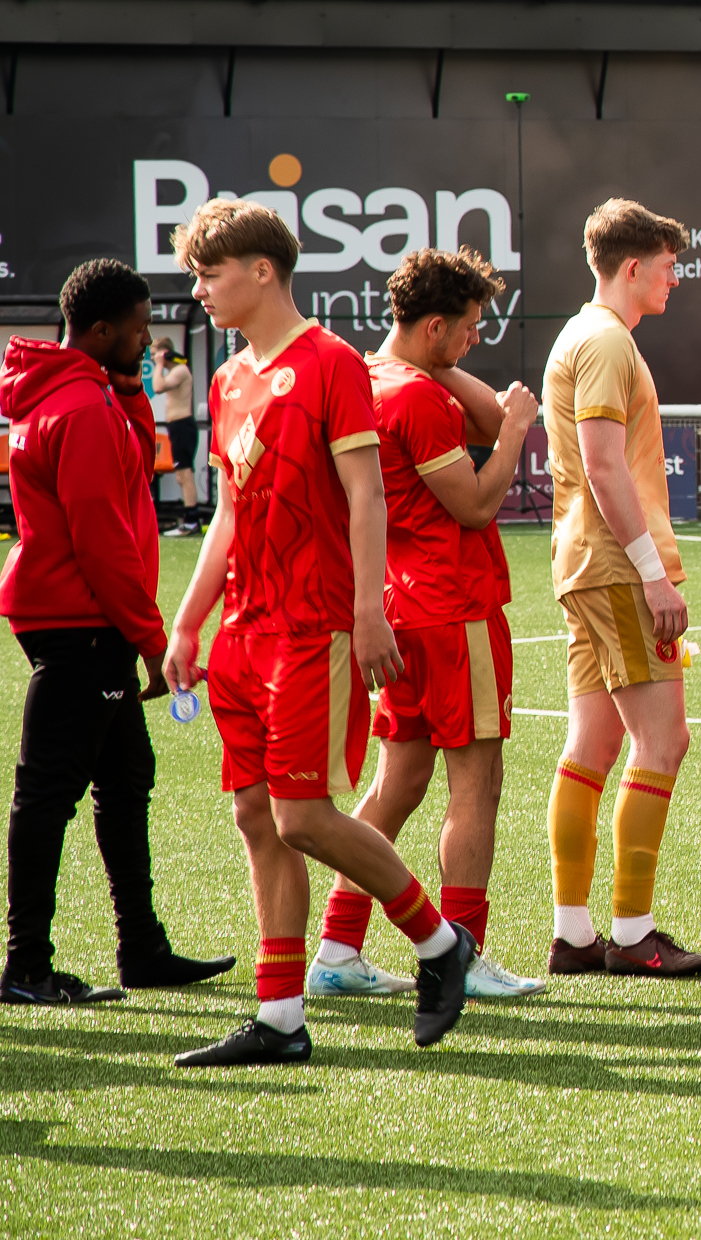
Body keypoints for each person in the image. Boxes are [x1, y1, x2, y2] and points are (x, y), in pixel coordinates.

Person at [162, 199, 474, 1065]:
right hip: (243, 630)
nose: (199, 291)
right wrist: (188, 622)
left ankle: (438, 943)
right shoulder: (229, 378)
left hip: (312, 625)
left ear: (262, 270)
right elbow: (228, 512)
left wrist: (369, 611)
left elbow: (367, 494)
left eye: (209, 274)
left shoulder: (332, 362)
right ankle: (280, 1019)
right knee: (257, 818)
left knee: (301, 816)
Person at [307, 248, 549, 1000]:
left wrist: (441, 363)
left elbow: (478, 405)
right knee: (476, 783)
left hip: (401, 611)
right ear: (434, 325)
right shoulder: (414, 397)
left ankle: (338, 949)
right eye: (468, 327)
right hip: (453, 610)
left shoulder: (373, 378)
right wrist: (515, 434)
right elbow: (475, 502)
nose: (476, 340)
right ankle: (462, 956)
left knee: (399, 783)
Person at [0, 260, 235, 1005]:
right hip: (84, 622)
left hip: (70, 614)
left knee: (126, 778)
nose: (147, 340)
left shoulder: (75, 392)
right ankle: (26, 968)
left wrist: (130, 385)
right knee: (48, 792)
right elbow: (102, 542)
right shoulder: (83, 408)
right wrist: (154, 644)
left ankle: (141, 949)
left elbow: (136, 458)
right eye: (137, 331)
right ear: (101, 330)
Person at [541, 199, 701, 979]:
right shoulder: (608, 339)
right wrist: (653, 573)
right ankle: (633, 932)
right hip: (616, 565)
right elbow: (604, 464)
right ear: (634, 266)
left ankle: (574, 933)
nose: (674, 279)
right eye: (669, 267)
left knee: (593, 746)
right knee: (662, 741)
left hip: (584, 561)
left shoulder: (586, 334)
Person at [150, 337, 204, 536]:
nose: (152, 357)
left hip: (183, 426)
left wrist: (159, 364)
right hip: (176, 426)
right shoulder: (175, 371)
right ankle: (190, 519)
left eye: (155, 354)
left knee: (185, 474)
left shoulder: (180, 371)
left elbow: (158, 387)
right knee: (182, 476)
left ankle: (191, 521)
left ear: (164, 353)